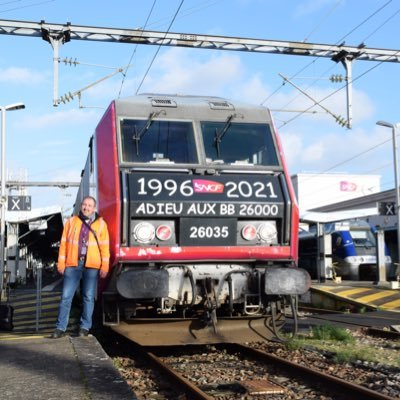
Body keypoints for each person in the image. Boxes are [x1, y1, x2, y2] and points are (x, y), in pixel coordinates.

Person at [51, 196, 110, 338]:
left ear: (94, 208)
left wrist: (105, 266)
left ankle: (84, 327)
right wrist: (61, 263)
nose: (86, 207)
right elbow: (64, 244)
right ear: (81, 206)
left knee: (88, 297)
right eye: (84, 205)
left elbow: (105, 247)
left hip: (92, 265)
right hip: (73, 263)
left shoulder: (101, 224)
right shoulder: (71, 222)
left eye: (90, 205)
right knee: (66, 296)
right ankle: (60, 328)